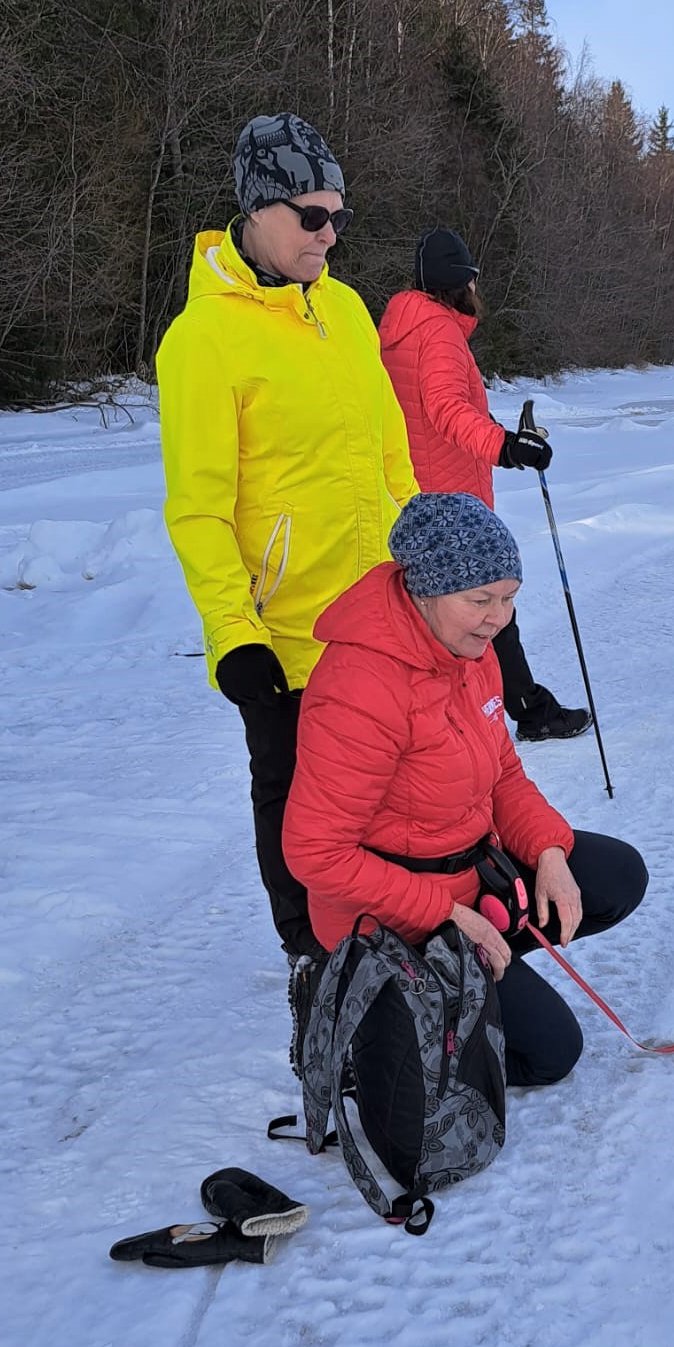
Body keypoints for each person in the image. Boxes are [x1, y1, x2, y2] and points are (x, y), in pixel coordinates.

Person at [157, 112, 418, 997]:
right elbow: (198, 509)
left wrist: (433, 569)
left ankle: (390, 939)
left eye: (339, 216)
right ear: (259, 209)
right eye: (313, 217)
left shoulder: (345, 309)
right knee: (297, 801)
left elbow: (392, 460)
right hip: (285, 635)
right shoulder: (202, 341)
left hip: (379, 615)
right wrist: (234, 633)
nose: (330, 234)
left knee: (389, 791)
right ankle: (313, 960)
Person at [283, 492, 648, 1087]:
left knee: (614, 873)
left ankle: (470, 976)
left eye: (508, 598)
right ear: (424, 591)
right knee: (548, 1054)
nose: (498, 617)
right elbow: (315, 851)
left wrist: (548, 853)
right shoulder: (360, 686)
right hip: (392, 914)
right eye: (480, 599)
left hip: (471, 879)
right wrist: (446, 914)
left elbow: (502, 770)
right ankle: (369, 999)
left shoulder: (471, 652)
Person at [378, 228, 591, 742]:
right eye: (473, 279)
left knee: (447, 614)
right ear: (462, 283)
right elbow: (446, 409)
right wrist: (507, 448)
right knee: (487, 609)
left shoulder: (400, 327)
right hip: (450, 498)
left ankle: (495, 708)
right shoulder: (439, 332)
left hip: (416, 492)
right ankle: (522, 711)